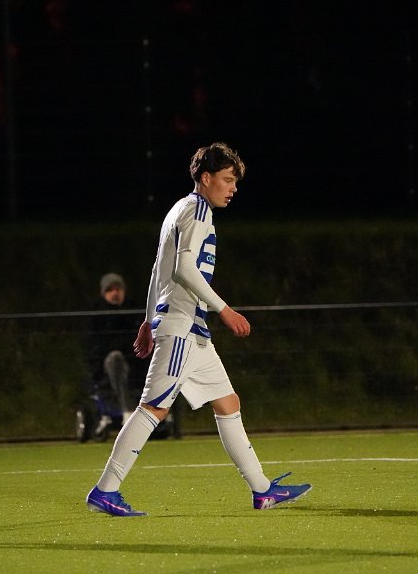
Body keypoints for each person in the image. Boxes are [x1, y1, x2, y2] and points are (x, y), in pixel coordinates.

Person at [85, 142, 311, 516]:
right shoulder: (198, 211)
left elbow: (158, 270)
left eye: (235, 182)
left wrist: (147, 321)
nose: (232, 188)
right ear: (205, 178)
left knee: (228, 402)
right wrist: (225, 310)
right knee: (153, 409)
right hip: (183, 328)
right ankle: (105, 490)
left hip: (190, 329)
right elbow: (183, 269)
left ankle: (263, 490)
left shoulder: (180, 208)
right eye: (227, 179)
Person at [87, 272, 141, 425]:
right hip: (108, 365)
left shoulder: (134, 310)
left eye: (118, 289)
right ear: (104, 293)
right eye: (110, 290)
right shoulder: (97, 314)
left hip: (134, 362)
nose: (115, 293)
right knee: (115, 359)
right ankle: (127, 410)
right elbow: (95, 346)